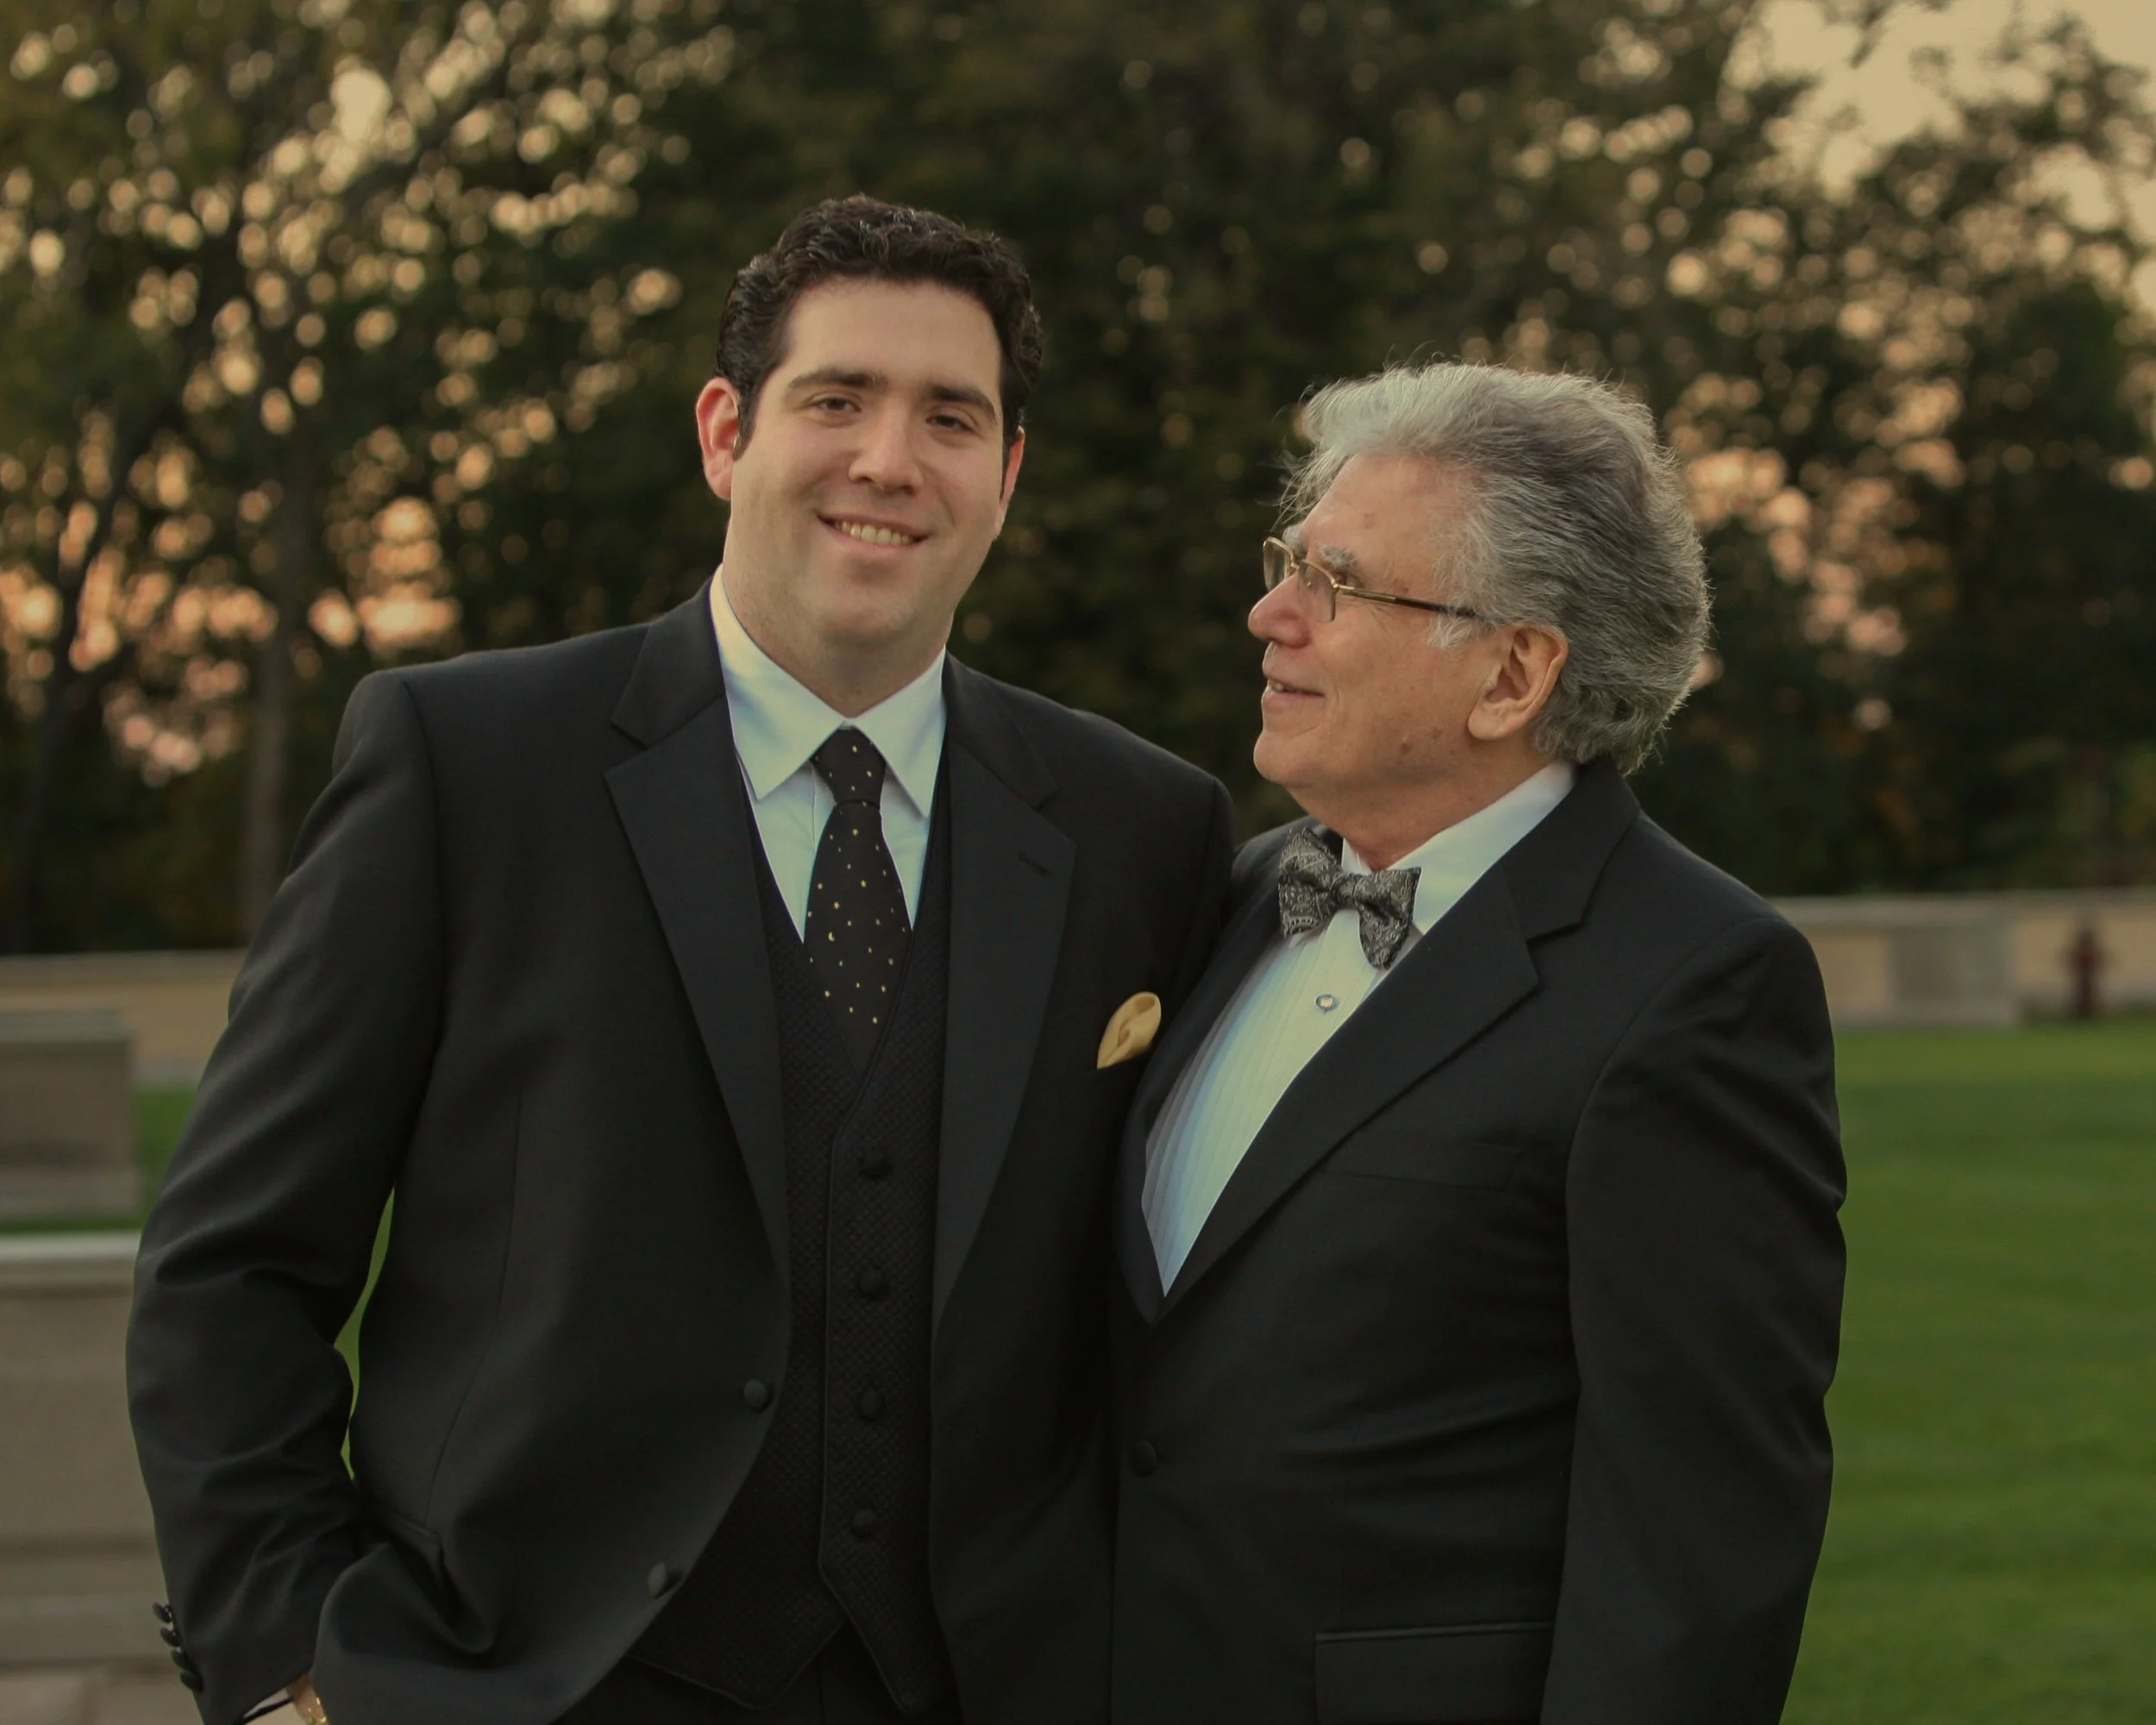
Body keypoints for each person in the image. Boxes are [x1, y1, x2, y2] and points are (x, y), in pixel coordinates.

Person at [128, 196, 1232, 1725]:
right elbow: (233, 1267)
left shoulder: (1145, 829)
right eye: (835, 399)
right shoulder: (465, 766)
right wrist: (287, 1673)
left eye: (951, 418)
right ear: (725, 432)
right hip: (523, 1683)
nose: (889, 461)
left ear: (1008, 475)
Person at [1110, 363, 1846, 1724]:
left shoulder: (1695, 988)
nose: (1270, 614)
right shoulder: (1232, 890)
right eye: (1288, 563)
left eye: (1341, 584)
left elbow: (1699, 1553)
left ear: (1514, 673)